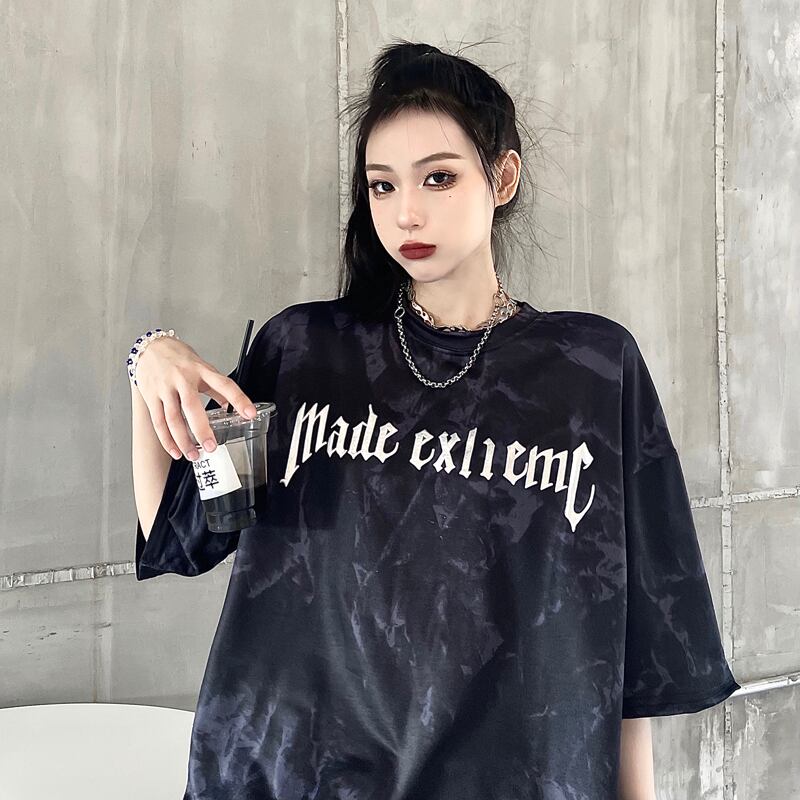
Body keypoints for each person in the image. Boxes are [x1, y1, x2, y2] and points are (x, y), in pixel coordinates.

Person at [129, 39, 740, 800]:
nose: (406, 212)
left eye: (439, 177)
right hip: (288, 774)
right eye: (382, 186)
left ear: (503, 178)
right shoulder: (305, 350)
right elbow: (179, 529)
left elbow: (626, 637)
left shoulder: (589, 368)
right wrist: (149, 361)